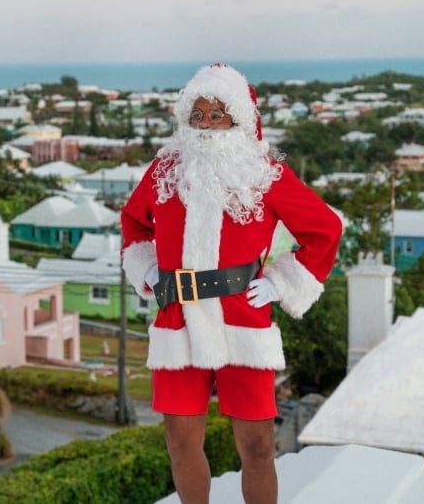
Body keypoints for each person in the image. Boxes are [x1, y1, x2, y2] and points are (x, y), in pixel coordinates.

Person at [121, 63, 342, 504]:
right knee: (181, 443)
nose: (206, 123)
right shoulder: (166, 169)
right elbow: (133, 221)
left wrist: (282, 282)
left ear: (239, 118)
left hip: (243, 318)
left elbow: (325, 228)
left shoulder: (267, 174)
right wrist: (146, 269)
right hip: (177, 319)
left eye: (217, 113)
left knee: (257, 447)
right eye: (197, 113)